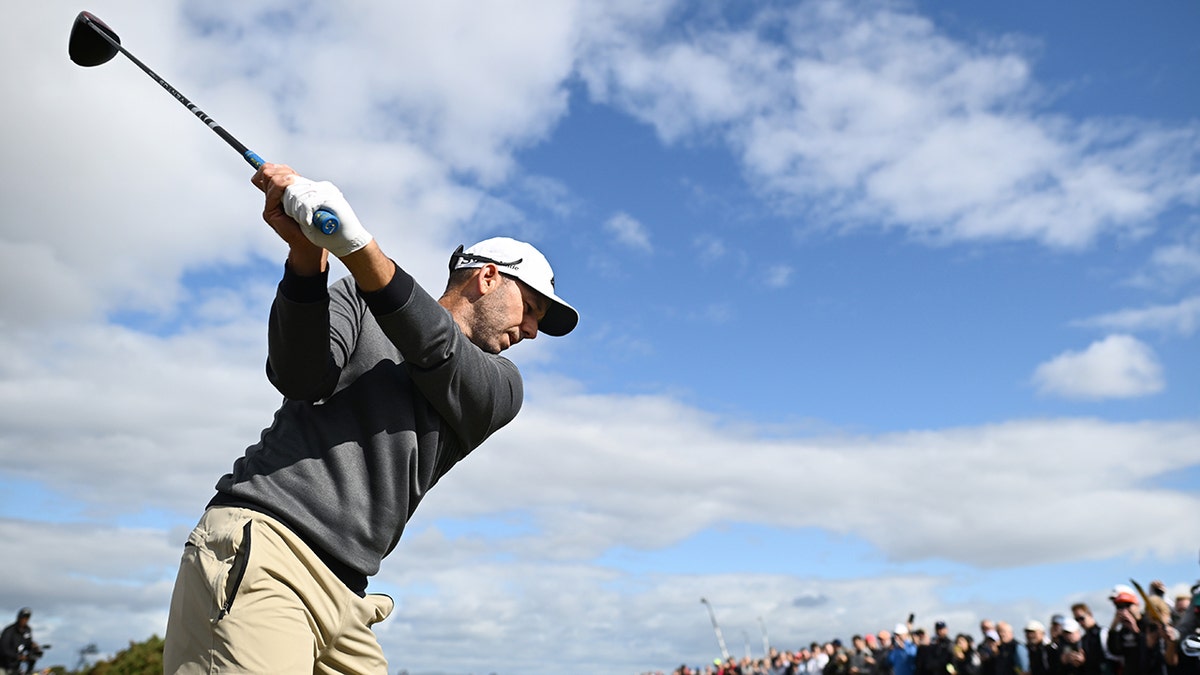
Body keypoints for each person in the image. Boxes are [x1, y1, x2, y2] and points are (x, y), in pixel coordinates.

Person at [162, 164, 579, 674]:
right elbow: (300, 377)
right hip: (268, 548)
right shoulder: (359, 299)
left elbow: (434, 346)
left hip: (349, 598)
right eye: (531, 308)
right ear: (487, 276)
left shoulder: (501, 386)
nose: (533, 330)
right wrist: (307, 253)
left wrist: (357, 246)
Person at [0, 608, 43, 675]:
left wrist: (33, 646)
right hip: (4, 665)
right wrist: (17, 656)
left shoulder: (27, 630)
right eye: (23, 618)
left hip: (16, 666)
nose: (25, 620)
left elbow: (27, 643)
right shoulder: (9, 631)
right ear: (19, 618)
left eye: (27, 618)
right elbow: (3, 649)